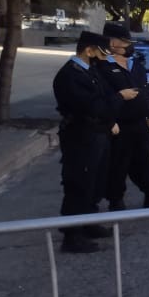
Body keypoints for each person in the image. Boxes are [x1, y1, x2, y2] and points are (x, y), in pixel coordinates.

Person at [53, 31, 135, 252]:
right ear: (88, 50)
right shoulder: (71, 75)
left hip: (98, 134)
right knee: (79, 184)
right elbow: (93, 106)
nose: (103, 58)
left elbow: (102, 98)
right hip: (81, 137)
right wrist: (120, 97)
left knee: (95, 183)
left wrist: (109, 121)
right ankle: (72, 235)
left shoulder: (89, 70)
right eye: (99, 53)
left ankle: (88, 222)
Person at [98, 23, 149, 210]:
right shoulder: (102, 65)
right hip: (119, 126)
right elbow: (100, 96)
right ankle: (116, 200)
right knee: (118, 164)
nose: (127, 46)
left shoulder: (135, 64)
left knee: (145, 162)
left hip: (140, 124)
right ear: (112, 42)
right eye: (124, 42)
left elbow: (146, 90)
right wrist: (110, 120)